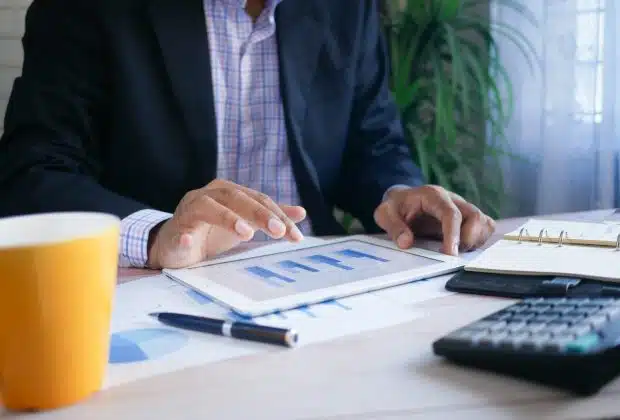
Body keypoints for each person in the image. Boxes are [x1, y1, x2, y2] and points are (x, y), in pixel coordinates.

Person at [0, 0, 495, 269]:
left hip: (319, 278)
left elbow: (373, 141)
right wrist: (155, 235)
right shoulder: (85, 8)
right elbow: (30, 174)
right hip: (154, 286)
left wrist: (400, 194)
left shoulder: (348, 7)